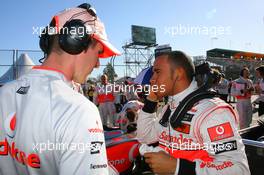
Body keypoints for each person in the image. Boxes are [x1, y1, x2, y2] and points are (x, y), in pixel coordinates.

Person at [0, 3, 120, 175]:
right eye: (98, 52)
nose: (97, 64)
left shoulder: (4, 93)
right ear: (76, 41)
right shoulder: (79, 111)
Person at [137, 51, 250, 175]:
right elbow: (145, 137)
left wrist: (178, 168)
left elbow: (239, 169)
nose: (152, 79)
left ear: (178, 73)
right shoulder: (169, 108)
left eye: (157, 72)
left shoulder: (212, 112)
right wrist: (150, 101)